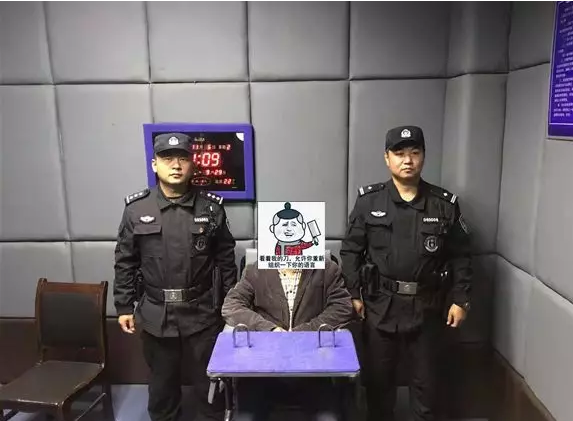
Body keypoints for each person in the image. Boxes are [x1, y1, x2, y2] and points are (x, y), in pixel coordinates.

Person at [340, 126, 473, 421]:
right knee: (378, 387)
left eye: (414, 152)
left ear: (424, 156)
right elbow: (350, 252)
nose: (407, 160)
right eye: (399, 153)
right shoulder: (369, 201)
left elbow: (461, 256)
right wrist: (353, 294)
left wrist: (460, 299)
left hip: (428, 308)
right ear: (387, 158)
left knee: (427, 391)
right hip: (379, 307)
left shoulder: (443, 204)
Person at [113, 132, 237, 421]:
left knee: (210, 385)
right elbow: (125, 261)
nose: (176, 165)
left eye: (183, 158)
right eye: (167, 158)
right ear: (154, 164)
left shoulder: (211, 207)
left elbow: (226, 261)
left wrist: (231, 307)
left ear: (192, 165)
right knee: (162, 387)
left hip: (203, 313)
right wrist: (123, 306)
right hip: (157, 313)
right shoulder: (136, 209)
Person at [221, 257, 354, 421]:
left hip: (312, 370)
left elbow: (342, 306)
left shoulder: (327, 269)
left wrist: (303, 332)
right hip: (262, 371)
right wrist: (270, 329)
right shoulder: (255, 270)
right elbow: (231, 306)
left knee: (329, 418)